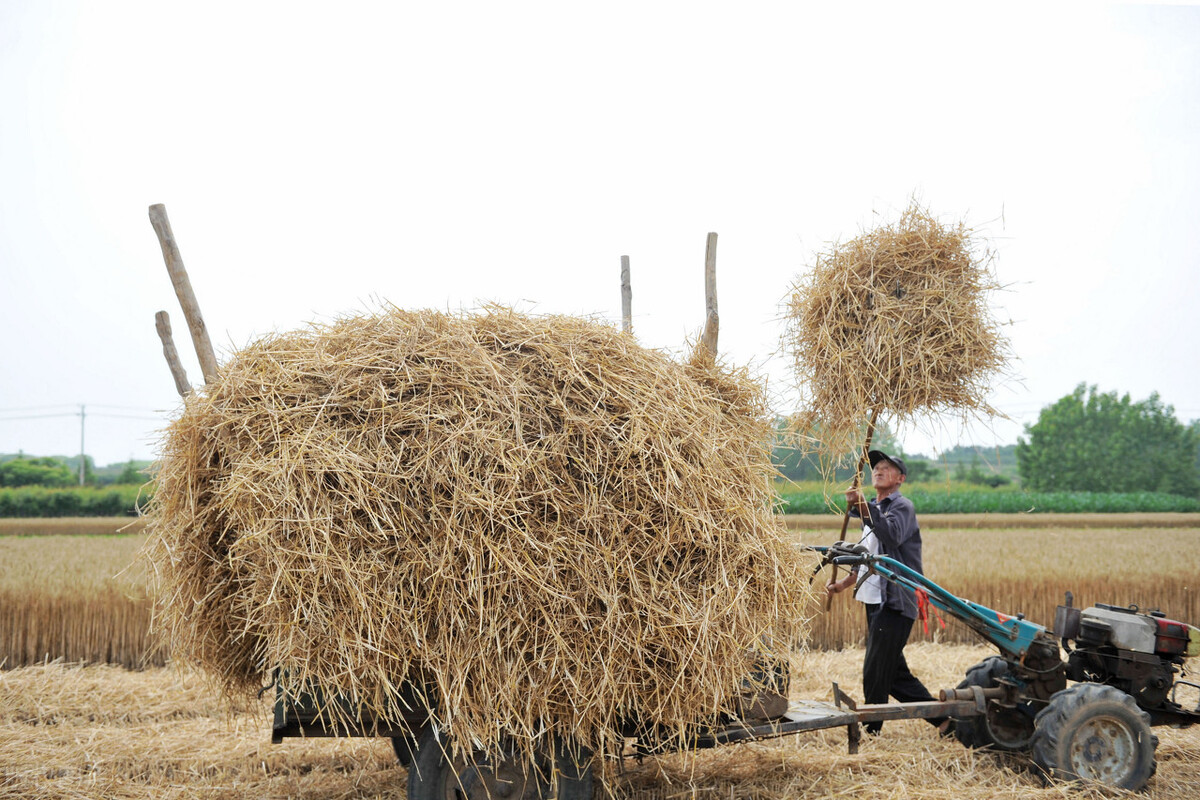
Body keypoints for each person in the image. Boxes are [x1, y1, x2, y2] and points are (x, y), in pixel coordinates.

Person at [826, 449, 951, 736]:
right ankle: (944, 721)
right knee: (893, 674)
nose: (878, 470)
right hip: (873, 599)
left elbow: (892, 535)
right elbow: (867, 554)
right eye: (876, 467)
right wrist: (845, 583)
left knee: (874, 670)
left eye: (886, 468)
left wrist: (863, 508)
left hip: (897, 599)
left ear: (900, 479)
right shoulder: (872, 507)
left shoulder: (901, 506)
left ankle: (871, 732)